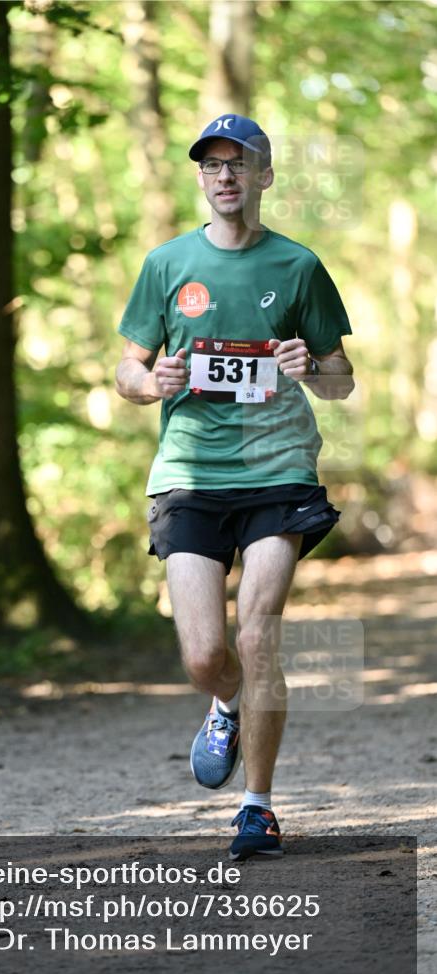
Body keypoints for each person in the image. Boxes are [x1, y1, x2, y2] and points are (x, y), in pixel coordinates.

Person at [115, 113, 354, 860]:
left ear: (264, 176)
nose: (224, 176)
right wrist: (149, 381)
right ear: (199, 178)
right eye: (211, 165)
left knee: (256, 635)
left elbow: (341, 381)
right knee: (203, 654)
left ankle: (257, 805)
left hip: (277, 468)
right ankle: (222, 703)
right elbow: (125, 371)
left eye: (238, 163)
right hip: (187, 473)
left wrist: (306, 369)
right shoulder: (165, 265)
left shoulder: (298, 267)